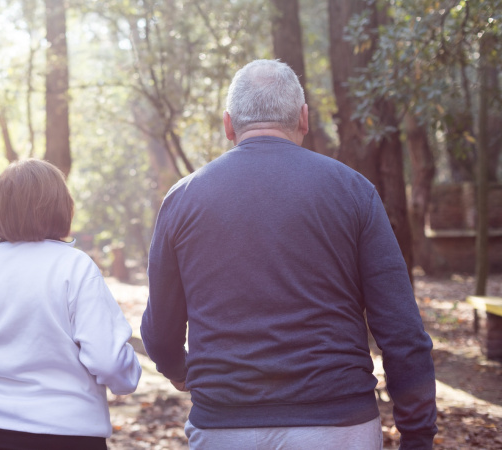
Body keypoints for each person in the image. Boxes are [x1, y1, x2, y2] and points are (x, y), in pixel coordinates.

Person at [141, 59, 437, 449]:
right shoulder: (353, 191)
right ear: (304, 118)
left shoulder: (183, 199)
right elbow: (401, 330)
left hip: (224, 427)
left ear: (228, 124)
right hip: (338, 427)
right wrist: (417, 435)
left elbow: (159, 329)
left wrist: (178, 369)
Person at [0, 159, 142, 450]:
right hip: (67, 434)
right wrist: (127, 379)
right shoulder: (75, 269)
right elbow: (108, 360)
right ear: (63, 208)